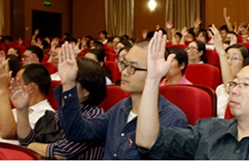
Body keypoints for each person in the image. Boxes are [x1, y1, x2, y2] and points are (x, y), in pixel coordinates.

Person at [136, 31, 249, 159]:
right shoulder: (208, 130)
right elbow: (148, 141)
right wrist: (153, 79)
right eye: (235, 83)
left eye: (246, 85)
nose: (234, 90)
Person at [54, 41, 187, 160]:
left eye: (133, 67)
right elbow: (77, 132)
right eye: (124, 64)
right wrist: (68, 84)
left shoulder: (172, 118)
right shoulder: (121, 108)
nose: (124, 72)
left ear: (155, 71)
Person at [13, 57, 107, 159]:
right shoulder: (62, 112)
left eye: (70, 82)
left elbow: (63, 152)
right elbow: (27, 141)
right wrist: (21, 110)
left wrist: (32, 146)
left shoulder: (95, 116)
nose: (63, 86)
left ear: (86, 92)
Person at [0, 62, 54, 144]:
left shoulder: (46, 116)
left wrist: (2, 90)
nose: (11, 87)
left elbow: (8, 132)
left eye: (17, 83)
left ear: (31, 88)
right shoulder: (15, 110)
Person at [211, 24, 249, 118]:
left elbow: (230, 87)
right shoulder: (220, 88)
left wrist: (222, 53)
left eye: (235, 58)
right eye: (227, 57)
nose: (228, 62)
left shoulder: (246, 88)